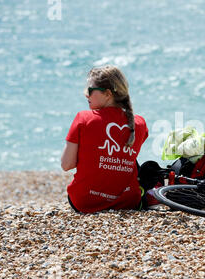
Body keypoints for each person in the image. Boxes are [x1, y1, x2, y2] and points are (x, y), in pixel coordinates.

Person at [61, 65, 149, 213]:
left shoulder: (84, 118)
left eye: (89, 90)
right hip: (127, 201)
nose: (86, 95)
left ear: (108, 94)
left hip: (85, 201)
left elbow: (67, 164)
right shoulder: (139, 122)